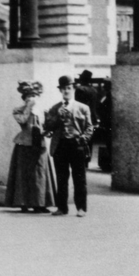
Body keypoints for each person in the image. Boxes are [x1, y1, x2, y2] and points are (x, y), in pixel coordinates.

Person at [45, 75, 93, 217]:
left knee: (79, 178)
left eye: (68, 88)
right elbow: (49, 126)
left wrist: (84, 138)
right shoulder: (54, 108)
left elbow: (89, 127)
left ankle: (81, 208)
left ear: (73, 89)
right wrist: (56, 117)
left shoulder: (83, 108)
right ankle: (62, 208)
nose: (66, 91)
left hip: (76, 145)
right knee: (61, 178)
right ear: (60, 91)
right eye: (63, 89)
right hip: (60, 146)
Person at [3, 81, 53, 212]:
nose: (32, 99)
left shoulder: (43, 110)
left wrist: (47, 130)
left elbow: (49, 126)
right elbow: (22, 120)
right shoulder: (18, 110)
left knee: (39, 173)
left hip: (39, 144)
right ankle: (23, 202)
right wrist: (29, 108)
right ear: (24, 98)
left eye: (34, 96)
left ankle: (40, 204)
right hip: (24, 144)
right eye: (28, 96)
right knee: (23, 174)